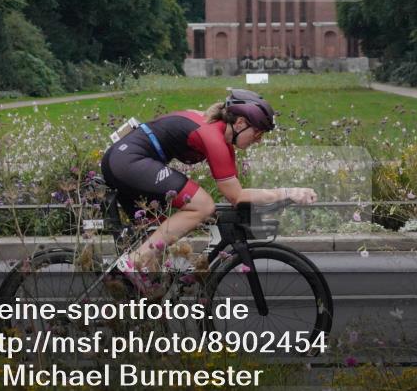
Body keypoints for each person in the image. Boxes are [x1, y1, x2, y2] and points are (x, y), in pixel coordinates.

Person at [100, 89, 317, 284]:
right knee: (202, 206)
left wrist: (280, 196)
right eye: (258, 133)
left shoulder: (220, 136)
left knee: (158, 247)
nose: (258, 140)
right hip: (128, 161)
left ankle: (139, 312)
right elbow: (236, 196)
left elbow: (238, 190)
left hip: (126, 160)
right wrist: (289, 192)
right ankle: (133, 263)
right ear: (240, 123)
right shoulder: (213, 136)